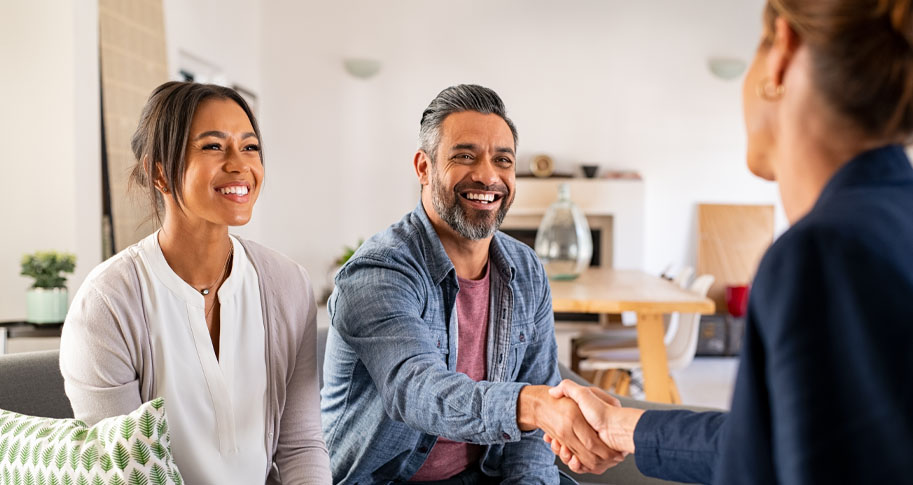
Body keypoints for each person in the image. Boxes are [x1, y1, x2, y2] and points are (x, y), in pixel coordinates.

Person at [545, 1, 913, 483]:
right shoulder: (890, 222)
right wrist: (621, 426)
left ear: (781, 51)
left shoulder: (822, 254)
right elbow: (778, 443)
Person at [320, 84, 622, 484]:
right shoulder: (378, 272)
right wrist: (532, 405)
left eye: (503, 160)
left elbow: (534, 428)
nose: (487, 175)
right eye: (465, 156)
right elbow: (417, 390)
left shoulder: (526, 269)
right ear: (424, 168)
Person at [60, 82, 332, 484]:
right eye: (213, 146)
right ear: (159, 172)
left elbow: (301, 445)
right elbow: (124, 472)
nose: (240, 165)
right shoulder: (108, 303)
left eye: (250, 147)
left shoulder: (287, 284)